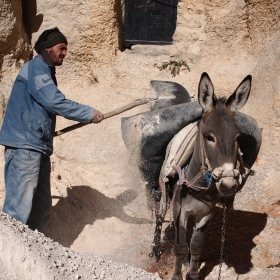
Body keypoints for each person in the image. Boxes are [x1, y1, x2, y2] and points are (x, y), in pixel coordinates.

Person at [0, 27, 104, 233]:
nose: (65, 53)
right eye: (61, 48)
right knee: (17, 212)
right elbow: (52, 100)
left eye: (66, 48)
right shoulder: (36, 67)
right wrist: (88, 113)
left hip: (38, 148)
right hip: (25, 148)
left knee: (41, 211)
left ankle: (31, 256)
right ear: (47, 49)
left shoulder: (45, 71)